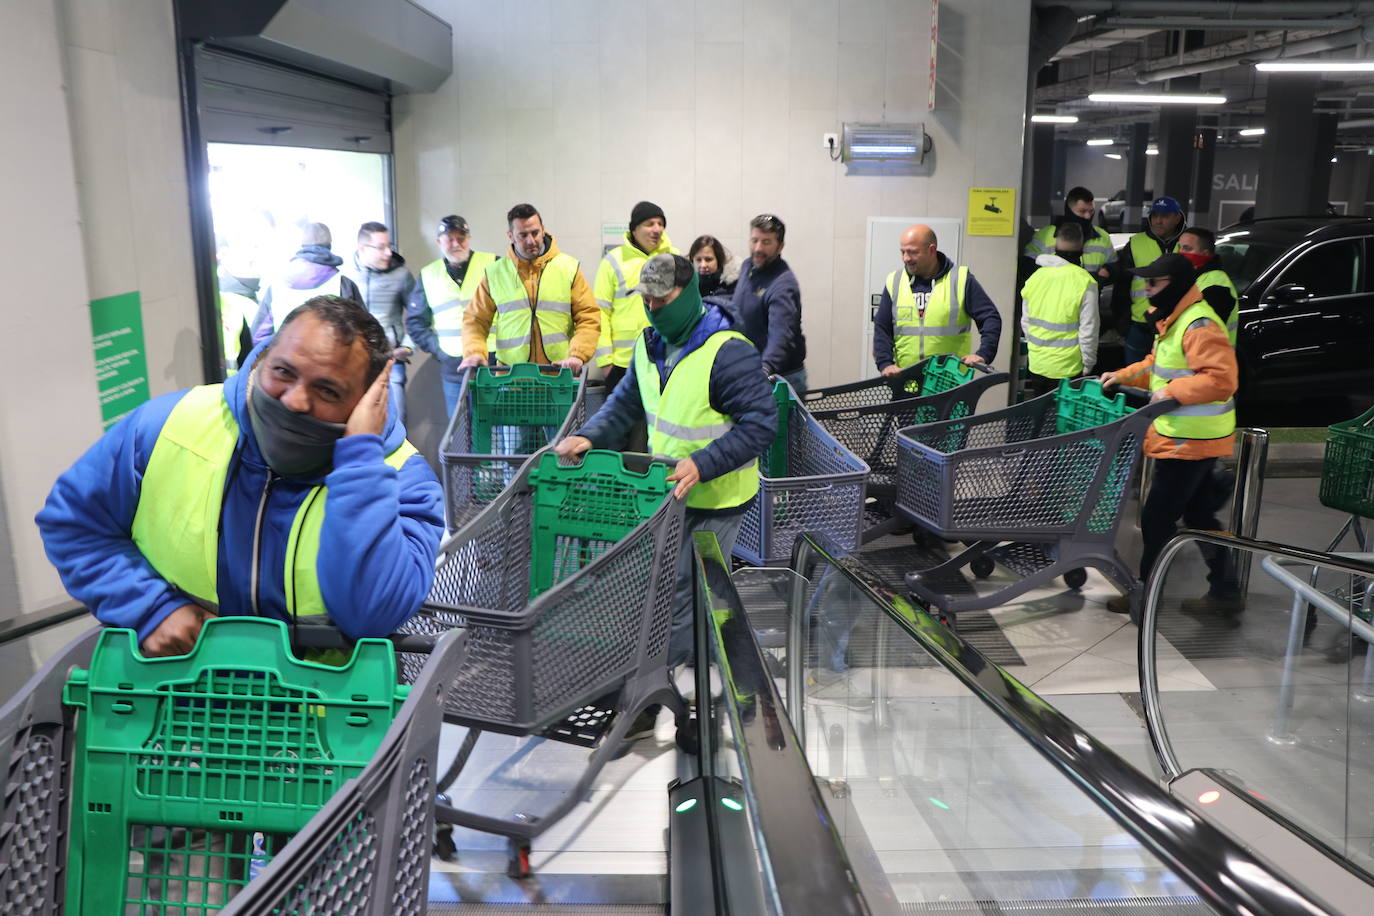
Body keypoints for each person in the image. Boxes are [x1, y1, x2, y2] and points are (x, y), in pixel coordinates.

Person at [36, 297, 445, 657]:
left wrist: (359, 461)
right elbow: (73, 524)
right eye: (283, 371)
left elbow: (372, 615)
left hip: (322, 723)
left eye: (328, 391)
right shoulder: (166, 426)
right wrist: (148, 608)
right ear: (263, 356)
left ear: (371, 399)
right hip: (173, 708)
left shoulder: (403, 481)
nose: (295, 401)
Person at [555, 254, 776, 737]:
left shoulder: (727, 351)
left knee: (679, 591)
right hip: (669, 494)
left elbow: (762, 425)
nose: (654, 309)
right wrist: (591, 435)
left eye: (663, 300)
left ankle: (652, 696)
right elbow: (626, 402)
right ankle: (737, 689)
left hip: (717, 497)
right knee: (693, 593)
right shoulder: (650, 344)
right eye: (647, 301)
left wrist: (704, 463)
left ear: (689, 293)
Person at [1100, 254, 1240, 617]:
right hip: (1187, 436)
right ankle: (1225, 591)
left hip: (1190, 441)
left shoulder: (1199, 323)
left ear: (1174, 284)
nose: (1146, 290)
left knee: (1157, 519)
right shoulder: (1175, 320)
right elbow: (1157, 367)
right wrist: (1123, 376)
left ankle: (1145, 597)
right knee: (1200, 517)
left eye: (1153, 283)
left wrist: (1175, 391)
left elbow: (1222, 380)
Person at [459, 203, 599, 373]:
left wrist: (578, 354)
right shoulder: (495, 273)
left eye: (535, 233)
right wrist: (474, 352)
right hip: (511, 378)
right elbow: (475, 320)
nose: (531, 240)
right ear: (510, 236)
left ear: (543, 229)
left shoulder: (568, 268)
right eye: (523, 235)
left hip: (558, 376)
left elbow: (588, 317)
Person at [873, 223, 1002, 376]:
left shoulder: (959, 279)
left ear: (932, 250)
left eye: (912, 252)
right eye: (903, 252)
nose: (906, 258)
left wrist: (984, 353)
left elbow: (990, 317)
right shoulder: (895, 281)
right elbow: (882, 327)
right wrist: (885, 363)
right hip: (907, 380)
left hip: (949, 382)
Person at [406, 215, 499, 415]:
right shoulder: (428, 275)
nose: (456, 244)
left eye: (461, 238)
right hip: (454, 369)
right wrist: (440, 350)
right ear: (439, 242)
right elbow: (415, 323)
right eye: (449, 239)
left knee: (503, 432)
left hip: (495, 366)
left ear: (469, 238)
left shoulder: (493, 265)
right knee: (460, 434)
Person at [594, 201, 678, 389]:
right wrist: (606, 363)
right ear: (634, 230)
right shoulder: (613, 261)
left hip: (666, 360)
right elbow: (599, 313)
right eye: (650, 224)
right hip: (623, 365)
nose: (657, 229)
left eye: (660, 223)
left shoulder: (675, 258)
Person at [344, 221, 417, 423]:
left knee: (395, 421)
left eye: (389, 246)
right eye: (381, 247)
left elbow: (418, 316)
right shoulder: (344, 275)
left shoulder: (401, 276)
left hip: (391, 361)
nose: (388, 253)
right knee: (356, 422)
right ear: (362, 248)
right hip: (353, 362)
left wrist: (408, 348)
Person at [730, 214, 808, 393]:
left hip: (779, 379)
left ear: (780, 246)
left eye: (766, 242)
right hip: (749, 370)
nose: (758, 248)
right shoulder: (748, 266)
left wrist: (764, 369)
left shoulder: (783, 285)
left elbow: (780, 336)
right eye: (754, 240)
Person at [1019, 222, 1099, 396]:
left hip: (1038, 364)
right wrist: (1088, 363)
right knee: (1062, 420)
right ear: (1081, 249)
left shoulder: (1036, 277)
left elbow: (1026, 322)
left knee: (1039, 417)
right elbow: (1089, 329)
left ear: (1054, 247)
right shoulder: (1084, 281)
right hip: (1068, 368)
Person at [251, 223, 360, 343]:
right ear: (329, 244)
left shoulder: (276, 286)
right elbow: (362, 330)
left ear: (301, 245)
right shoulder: (343, 284)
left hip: (287, 357)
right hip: (331, 359)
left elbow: (259, 335)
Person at [1111, 196, 1187, 365]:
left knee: (1165, 379)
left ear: (1177, 218)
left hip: (1175, 326)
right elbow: (1122, 286)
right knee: (1133, 380)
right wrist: (1123, 322)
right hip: (1140, 326)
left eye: (1165, 216)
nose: (1158, 221)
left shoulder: (1186, 244)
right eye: (1155, 215)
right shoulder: (1136, 243)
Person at [1022, 187, 1117, 278]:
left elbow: (1114, 264)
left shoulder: (1103, 237)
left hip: (1088, 293)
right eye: (1082, 211)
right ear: (1069, 210)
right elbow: (1028, 265)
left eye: (1091, 211)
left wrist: (1108, 270)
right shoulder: (1045, 235)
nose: (1088, 216)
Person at [1177, 226, 1239, 344]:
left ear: (1204, 253)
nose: (1181, 253)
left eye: (1187, 248)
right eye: (1180, 247)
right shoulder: (1190, 276)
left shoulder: (1217, 286)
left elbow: (1205, 332)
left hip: (1207, 357)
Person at [689, 234, 738, 303]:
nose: (703, 265)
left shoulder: (733, 287)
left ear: (719, 260)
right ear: (692, 262)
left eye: (708, 259)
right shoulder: (685, 289)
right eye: (698, 260)